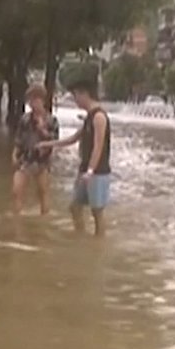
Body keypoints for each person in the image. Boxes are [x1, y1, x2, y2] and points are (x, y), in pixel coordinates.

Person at [39, 78, 112, 236]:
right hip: (85, 170)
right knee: (75, 207)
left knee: (97, 213)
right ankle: (81, 237)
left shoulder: (99, 117)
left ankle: (98, 245)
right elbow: (73, 139)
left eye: (76, 96)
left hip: (97, 172)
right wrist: (48, 144)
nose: (75, 100)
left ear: (85, 94)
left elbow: (98, 147)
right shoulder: (89, 117)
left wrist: (90, 171)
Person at [11, 84, 55, 215]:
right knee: (16, 190)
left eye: (35, 100)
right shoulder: (24, 119)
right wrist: (14, 154)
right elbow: (18, 139)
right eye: (30, 100)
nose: (32, 104)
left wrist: (42, 129)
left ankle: (44, 218)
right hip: (25, 159)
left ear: (42, 100)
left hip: (42, 161)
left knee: (43, 192)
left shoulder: (51, 120)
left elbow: (54, 142)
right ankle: (17, 219)